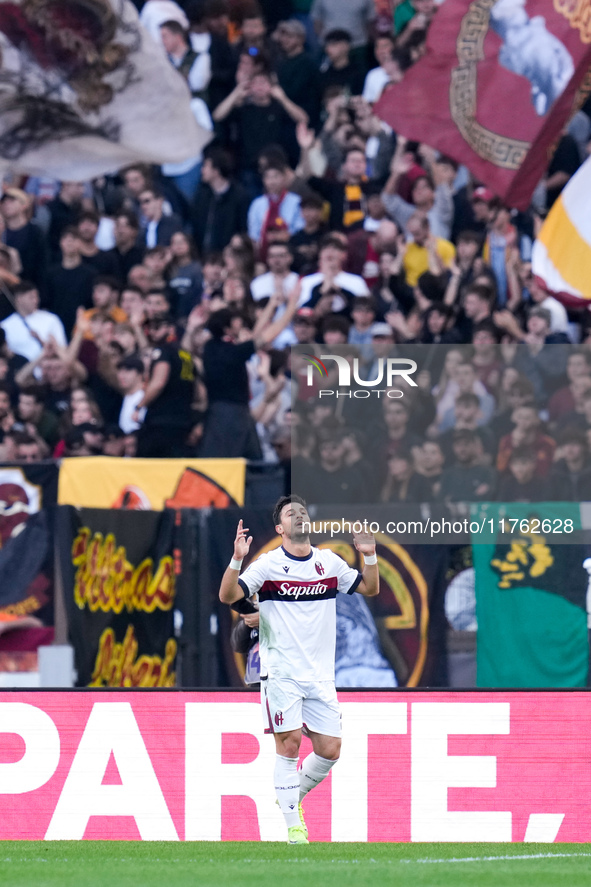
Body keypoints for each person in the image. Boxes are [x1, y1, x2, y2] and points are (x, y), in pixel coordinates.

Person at [218, 494, 379, 843]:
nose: (300, 516)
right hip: (280, 672)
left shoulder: (329, 563)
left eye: (304, 511)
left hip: (320, 675)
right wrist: (236, 559)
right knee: (289, 745)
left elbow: (370, 587)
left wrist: (369, 555)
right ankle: (295, 829)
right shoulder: (268, 564)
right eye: (292, 513)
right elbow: (228, 595)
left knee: (330, 750)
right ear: (281, 527)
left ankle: (290, 797)